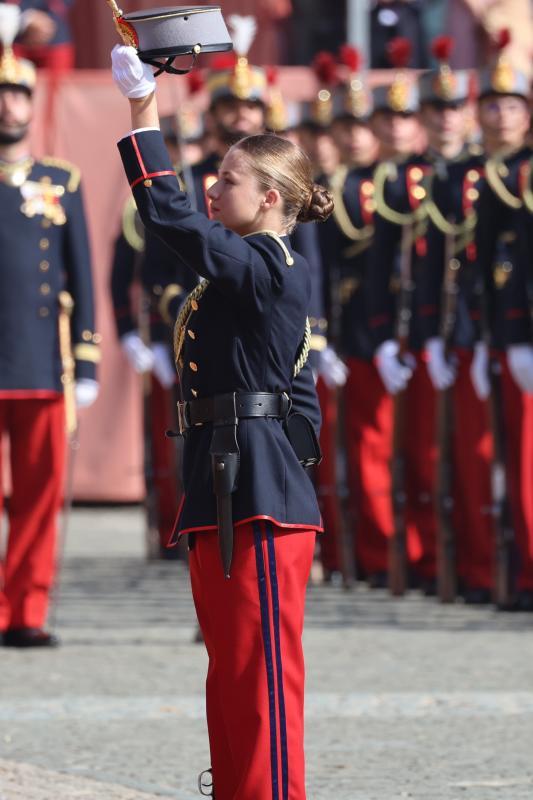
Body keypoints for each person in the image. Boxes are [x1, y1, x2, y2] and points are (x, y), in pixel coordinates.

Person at [111, 43, 331, 798]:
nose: (213, 186)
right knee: (229, 671)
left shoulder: (266, 265)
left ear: (271, 197)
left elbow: (168, 217)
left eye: (229, 178)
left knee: (261, 674)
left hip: (258, 492)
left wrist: (143, 112)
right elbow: (304, 404)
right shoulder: (245, 271)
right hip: (227, 479)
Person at [0, 37, 98, 647]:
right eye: (0, 94)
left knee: (40, 498)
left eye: (17, 95)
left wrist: (85, 360)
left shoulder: (61, 181)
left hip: (42, 360)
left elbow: (80, 272)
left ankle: (26, 610)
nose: (8, 106)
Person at [415, 37, 494, 602]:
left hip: (493, 327)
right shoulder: (431, 176)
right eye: (436, 110)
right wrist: (429, 337)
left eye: (454, 108)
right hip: (456, 330)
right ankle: (474, 566)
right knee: (457, 462)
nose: (447, 119)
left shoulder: (485, 172)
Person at [12, 1, 76, 71]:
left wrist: (48, 19)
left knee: (58, 80)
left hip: (56, 42)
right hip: (14, 38)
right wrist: (25, 17)